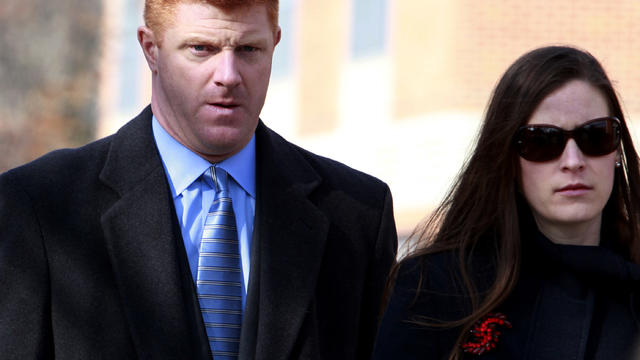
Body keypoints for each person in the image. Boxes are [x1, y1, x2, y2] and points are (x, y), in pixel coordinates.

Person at [0, 1, 397, 359]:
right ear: (150, 49)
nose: (228, 75)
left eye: (248, 50)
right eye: (201, 49)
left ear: (275, 44)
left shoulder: (358, 214)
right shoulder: (40, 207)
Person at [372, 46, 640, 359]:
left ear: (618, 152)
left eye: (596, 135)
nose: (573, 161)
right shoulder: (436, 286)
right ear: (506, 157)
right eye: (543, 141)